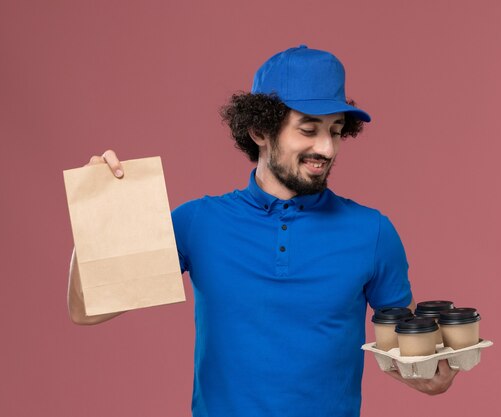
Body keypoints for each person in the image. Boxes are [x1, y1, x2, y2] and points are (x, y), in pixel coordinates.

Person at [67, 45, 458, 417]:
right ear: (259, 130)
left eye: (336, 131)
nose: (327, 148)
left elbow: (402, 350)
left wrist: (427, 375)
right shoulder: (199, 223)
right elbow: (86, 312)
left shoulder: (372, 231)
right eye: (308, 130)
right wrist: (100, 213)